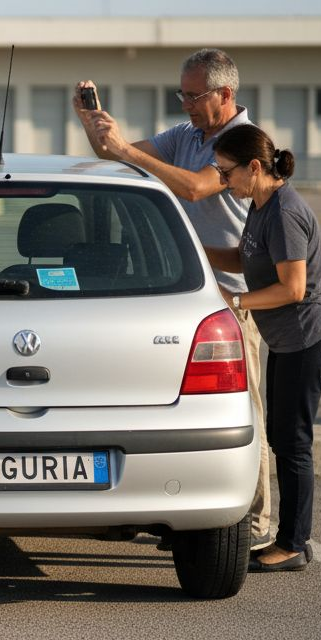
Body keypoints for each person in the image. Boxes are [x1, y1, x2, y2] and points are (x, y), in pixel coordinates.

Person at [74, 49, 271, 553]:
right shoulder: (185, 135)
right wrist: (97, 129)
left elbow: (195, 187)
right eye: (181, 94)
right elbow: (115, 156)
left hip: (232, 295)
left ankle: (256, 519)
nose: (185, 103)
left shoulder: (243, 143)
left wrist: (129, 151)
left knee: (244, 409)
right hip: (185, 291)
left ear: (226, 94)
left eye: (194, 95)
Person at [203, 124, 321, 572]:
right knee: (282, 437)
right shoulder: (259, 207)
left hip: (308, 337)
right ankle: (292, 538)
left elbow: (294, 287)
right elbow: (244, 258)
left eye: (227, 173)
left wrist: (236, 300)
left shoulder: (283, 210)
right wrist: (193, 252)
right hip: (288, 340)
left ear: (255, 168)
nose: (223, 181)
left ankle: (295, 544)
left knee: (292, 441)